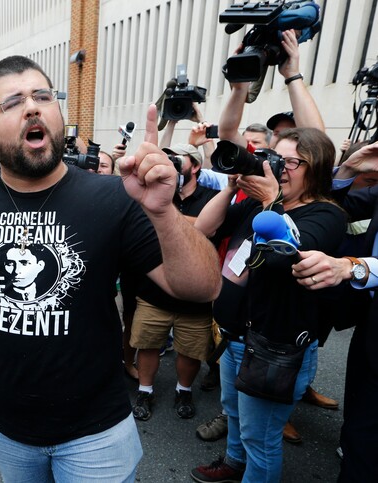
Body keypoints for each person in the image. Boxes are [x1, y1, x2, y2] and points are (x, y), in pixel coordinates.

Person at [0, 55, 221, 482]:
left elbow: (203, 287)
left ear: (57, 115)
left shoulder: (114, 197)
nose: (32, 106)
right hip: (6, 427)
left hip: (96, 434)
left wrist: (164, 213)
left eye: (43, 96)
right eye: (12, 102)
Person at [190, 127, 346, 483]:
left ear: (317, 167)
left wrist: (271, 199)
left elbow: (288, 255)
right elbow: (203, 227)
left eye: (292, 161)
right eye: (278, 159)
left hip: (274, 348)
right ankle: (233, 463)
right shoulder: (255, 203)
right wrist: (231, 188)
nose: (281, 168)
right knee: (234, 414)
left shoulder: (325, 215)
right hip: (234, 336)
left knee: (260, 438)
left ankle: (248, 468)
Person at [293, 140, 378, 482]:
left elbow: (356, 266)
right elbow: (334, 208)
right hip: (370, 329)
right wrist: (348, 169)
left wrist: (354, 267)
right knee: (359, 425)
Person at [130, 143, 219, 422]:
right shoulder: (149, 189)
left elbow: (210, 227)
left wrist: (163, 212)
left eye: (178, 160)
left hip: (195, 298)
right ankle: (145, 390)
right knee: (147, 344)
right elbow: (138, 223)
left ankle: (184, 390)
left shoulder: (211, 197)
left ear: (194, 166)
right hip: (153, 293)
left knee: (190, 350)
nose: (171, 165)